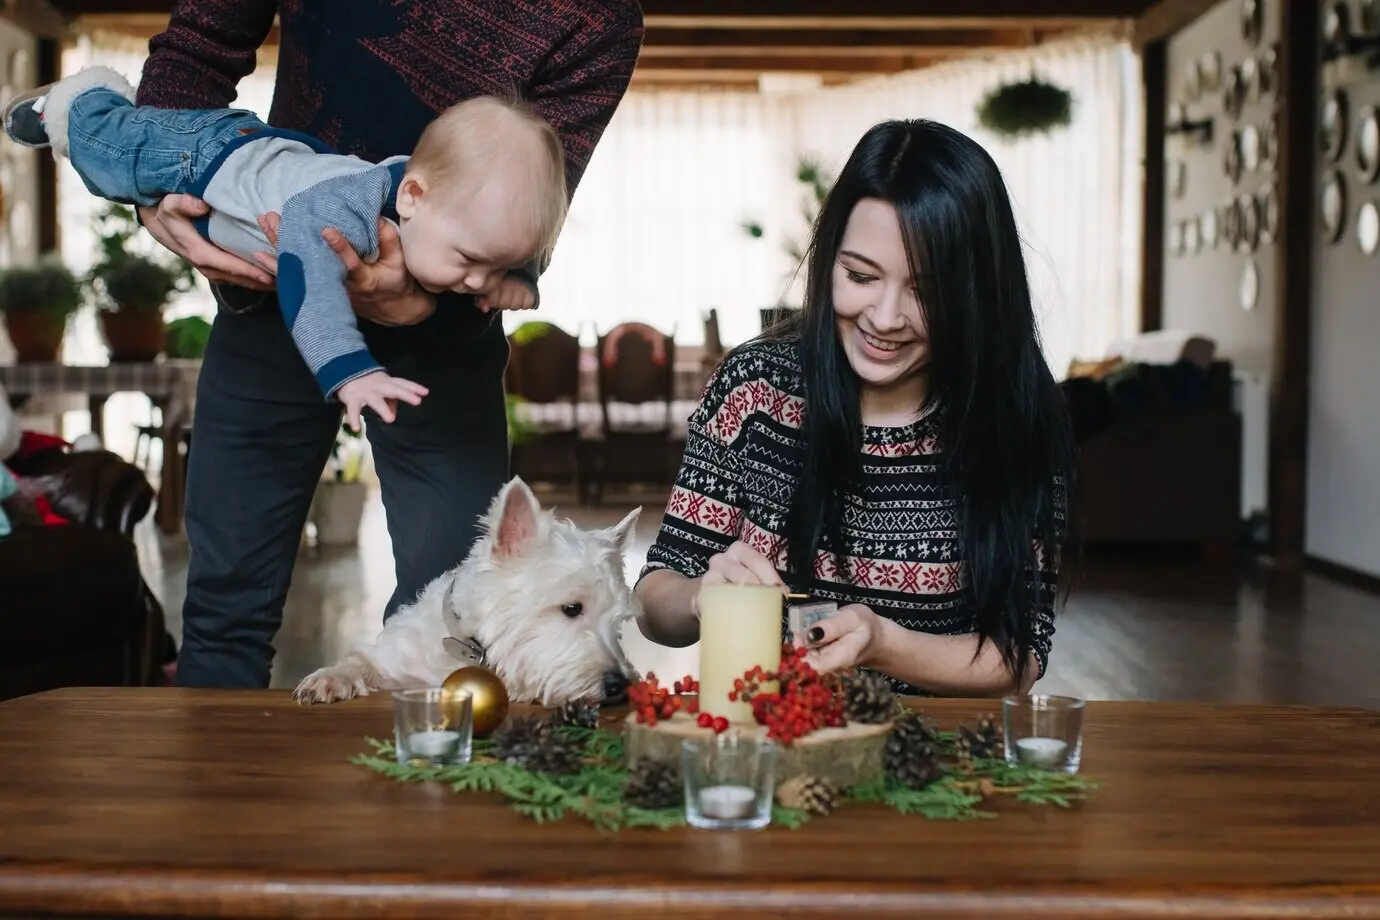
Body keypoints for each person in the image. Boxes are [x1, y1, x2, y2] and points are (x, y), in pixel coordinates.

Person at [96, 0, 644, 690]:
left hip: (448, 339)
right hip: (274, 298)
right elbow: (197, 47)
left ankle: (441, 792)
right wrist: (162, 183)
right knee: (225, 604)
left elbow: (534, 199)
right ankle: (208, 791)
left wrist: (466, 286)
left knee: (461, 616)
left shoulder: (601, 19)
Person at [634, 118, 1078, 698]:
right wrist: (699, 597)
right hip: (767, 743)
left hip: (938, 754)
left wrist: (884, 644)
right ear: (828, 262)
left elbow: (1018, 654)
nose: (885, 317)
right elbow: (653, 599)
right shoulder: (756, 387)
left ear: (976, 293)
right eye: (860, 276)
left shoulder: (1019, 415)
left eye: (926, 291)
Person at [4, 68, 568, 430]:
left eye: (492, 266)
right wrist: (350, 371)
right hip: (205, 159)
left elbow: (506, 237)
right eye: (470, 261)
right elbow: (310, 286)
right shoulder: (334, 219)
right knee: (110, 160)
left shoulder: (447, 209)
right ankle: (79, 101)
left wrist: (520, 276)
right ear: (413, 197)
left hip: (273, 155)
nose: (475, 283)